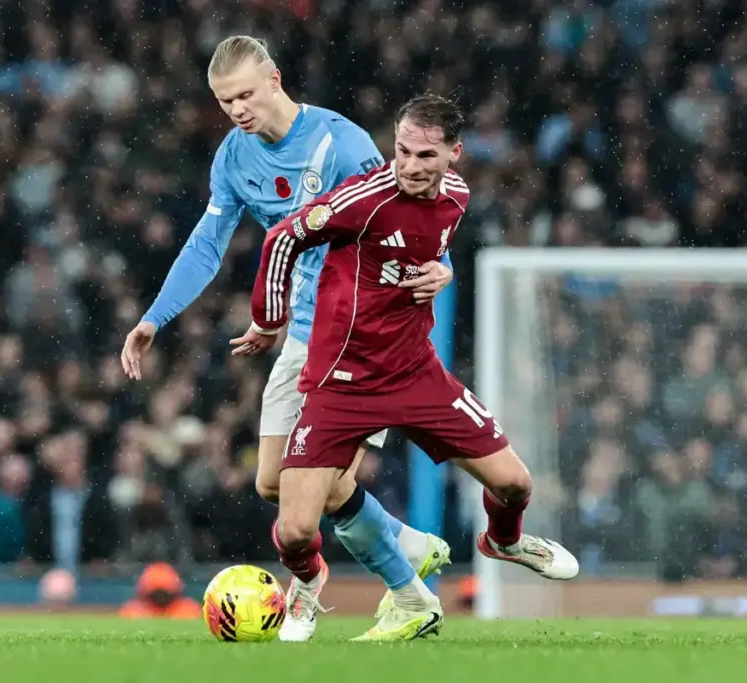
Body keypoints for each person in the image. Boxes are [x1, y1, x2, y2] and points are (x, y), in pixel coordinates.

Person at [119, 36, 452, 642]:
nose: (237, 110)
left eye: (246, 94)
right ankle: (406, 543)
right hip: (303, 333)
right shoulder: (233, 156)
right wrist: (155, 318)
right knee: (273, 482)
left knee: (315, 487)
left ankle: (397, 592)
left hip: (362, 336)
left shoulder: (342, 143)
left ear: (275, 79)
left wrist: (441, 265)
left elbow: (408, 211)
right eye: (225, 101)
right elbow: (207, 244)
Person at [232, 93, 580, 641]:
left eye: (425, 156)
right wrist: (269, 316)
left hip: (416, 374)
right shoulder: (363, 199)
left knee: (515, 484)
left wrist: (442, 269)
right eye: (402, 152)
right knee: (295, 529)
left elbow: (424, 242)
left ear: (454, 154)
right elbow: (284, 237)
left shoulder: (458, 196)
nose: (411, 166)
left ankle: (504, 541)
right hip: (342, 381)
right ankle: (309, 579)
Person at [119, 562, 202, 619]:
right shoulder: (133, 610)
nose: (161, 598)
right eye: (156, 594)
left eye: (165, 594)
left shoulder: (189, 609)